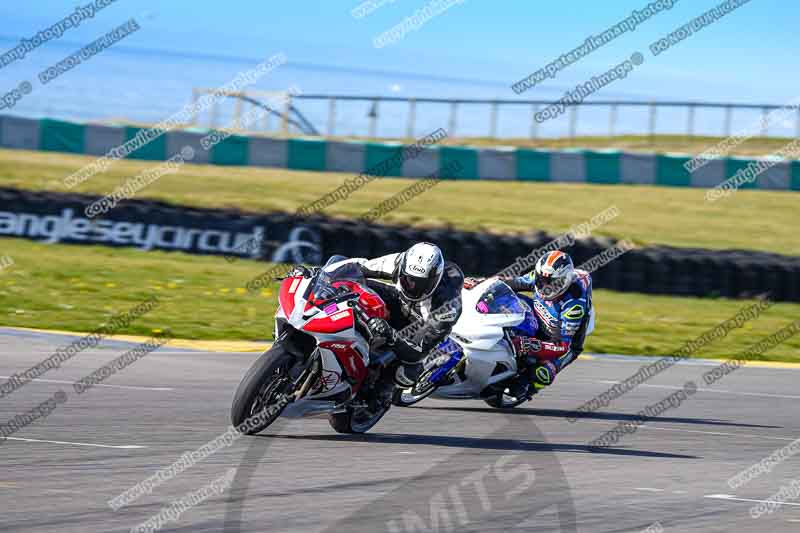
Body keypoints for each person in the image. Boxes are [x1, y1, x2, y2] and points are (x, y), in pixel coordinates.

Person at [330, 243, 464, 385]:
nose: (412, 286)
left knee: (408, 373)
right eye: (408, 279)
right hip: (399, 299)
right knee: (345, 277)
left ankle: (382, 391)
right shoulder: (397, 262)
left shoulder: (446, 307)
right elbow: (358, 265)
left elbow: (419, 351)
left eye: (420, 283)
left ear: (435, 279)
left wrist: (391, 335)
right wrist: (321, 274)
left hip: (420, 322)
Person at [464, 250, 593, 395]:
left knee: (542, 374)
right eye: (541, 281)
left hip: (561, 340)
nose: (544, 287)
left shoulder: (574, 305)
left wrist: (529, 344)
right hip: (539, 314)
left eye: (550, 283)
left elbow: (561, 346)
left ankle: (526, 387)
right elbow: (509, 282)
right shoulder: (542, 276)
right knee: (502, 298)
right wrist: (479, 282)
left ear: (564, 281)